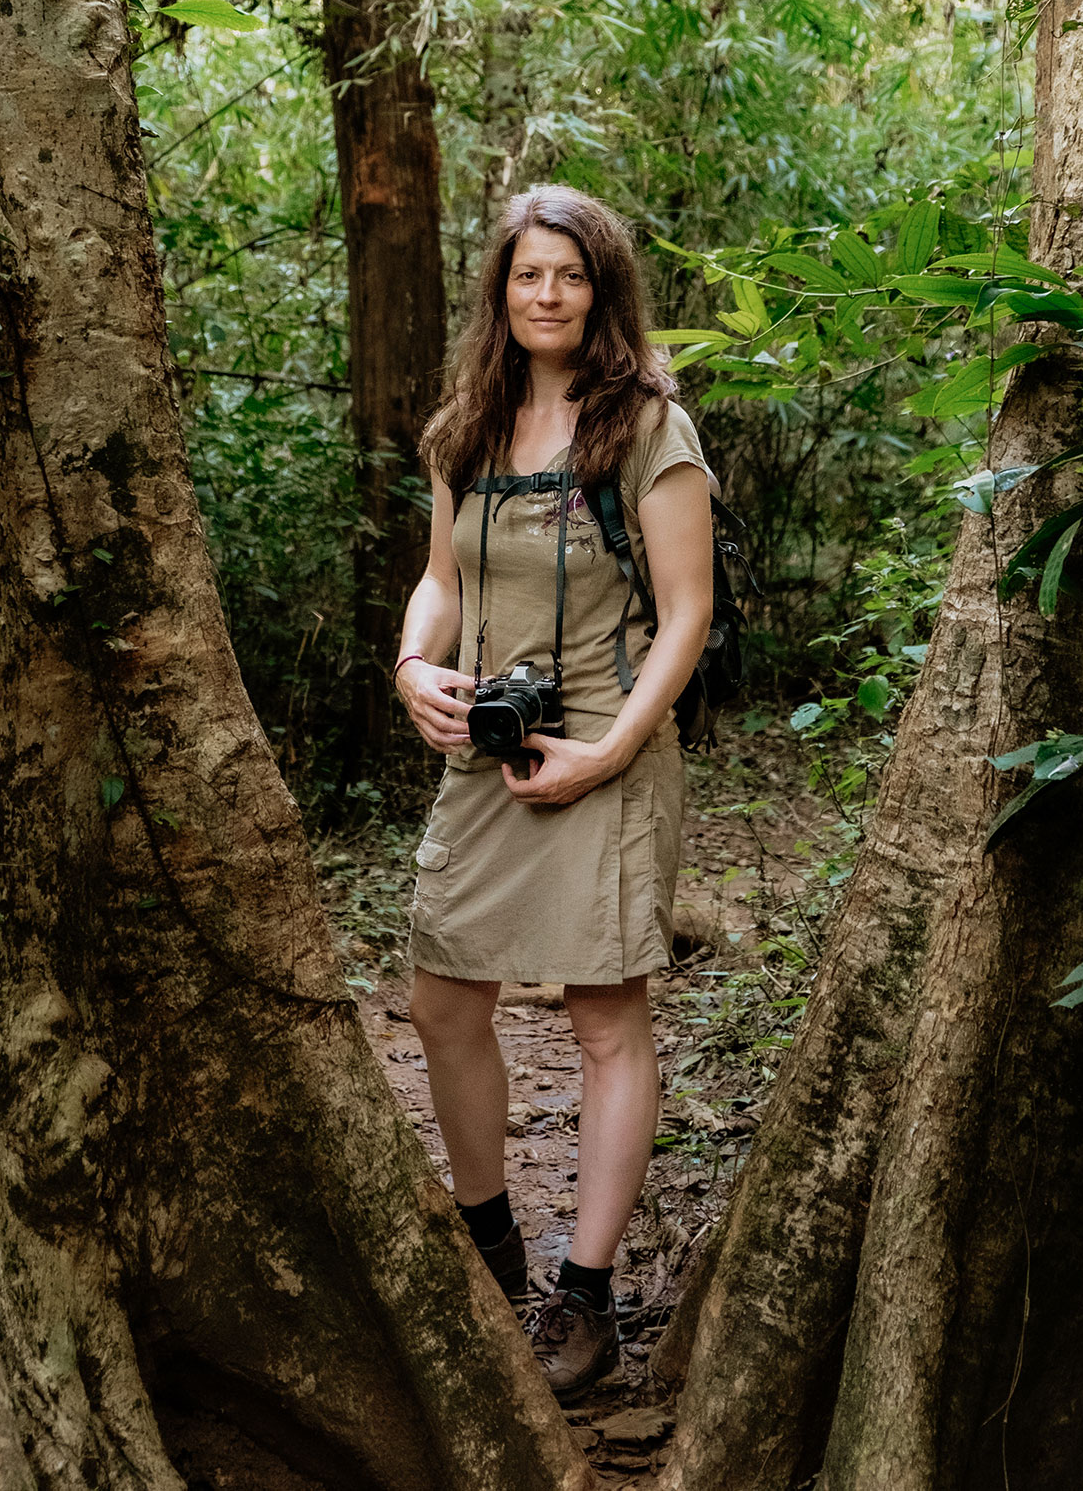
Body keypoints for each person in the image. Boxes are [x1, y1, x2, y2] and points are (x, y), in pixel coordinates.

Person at [390, 185, 714, 1402]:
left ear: (601, 289)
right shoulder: (462, 428)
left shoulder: (644, 426)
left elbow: (685, 613)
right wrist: (414, 664)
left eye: (568, 276)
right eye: (526, 275)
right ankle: (489, 1251)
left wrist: (610, 750)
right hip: (487, 751)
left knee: (601, 1017)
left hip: (606, 751)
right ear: (500, 290)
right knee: (438, 996)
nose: (545, 295)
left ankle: (582, 1302)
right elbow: (438, 578)